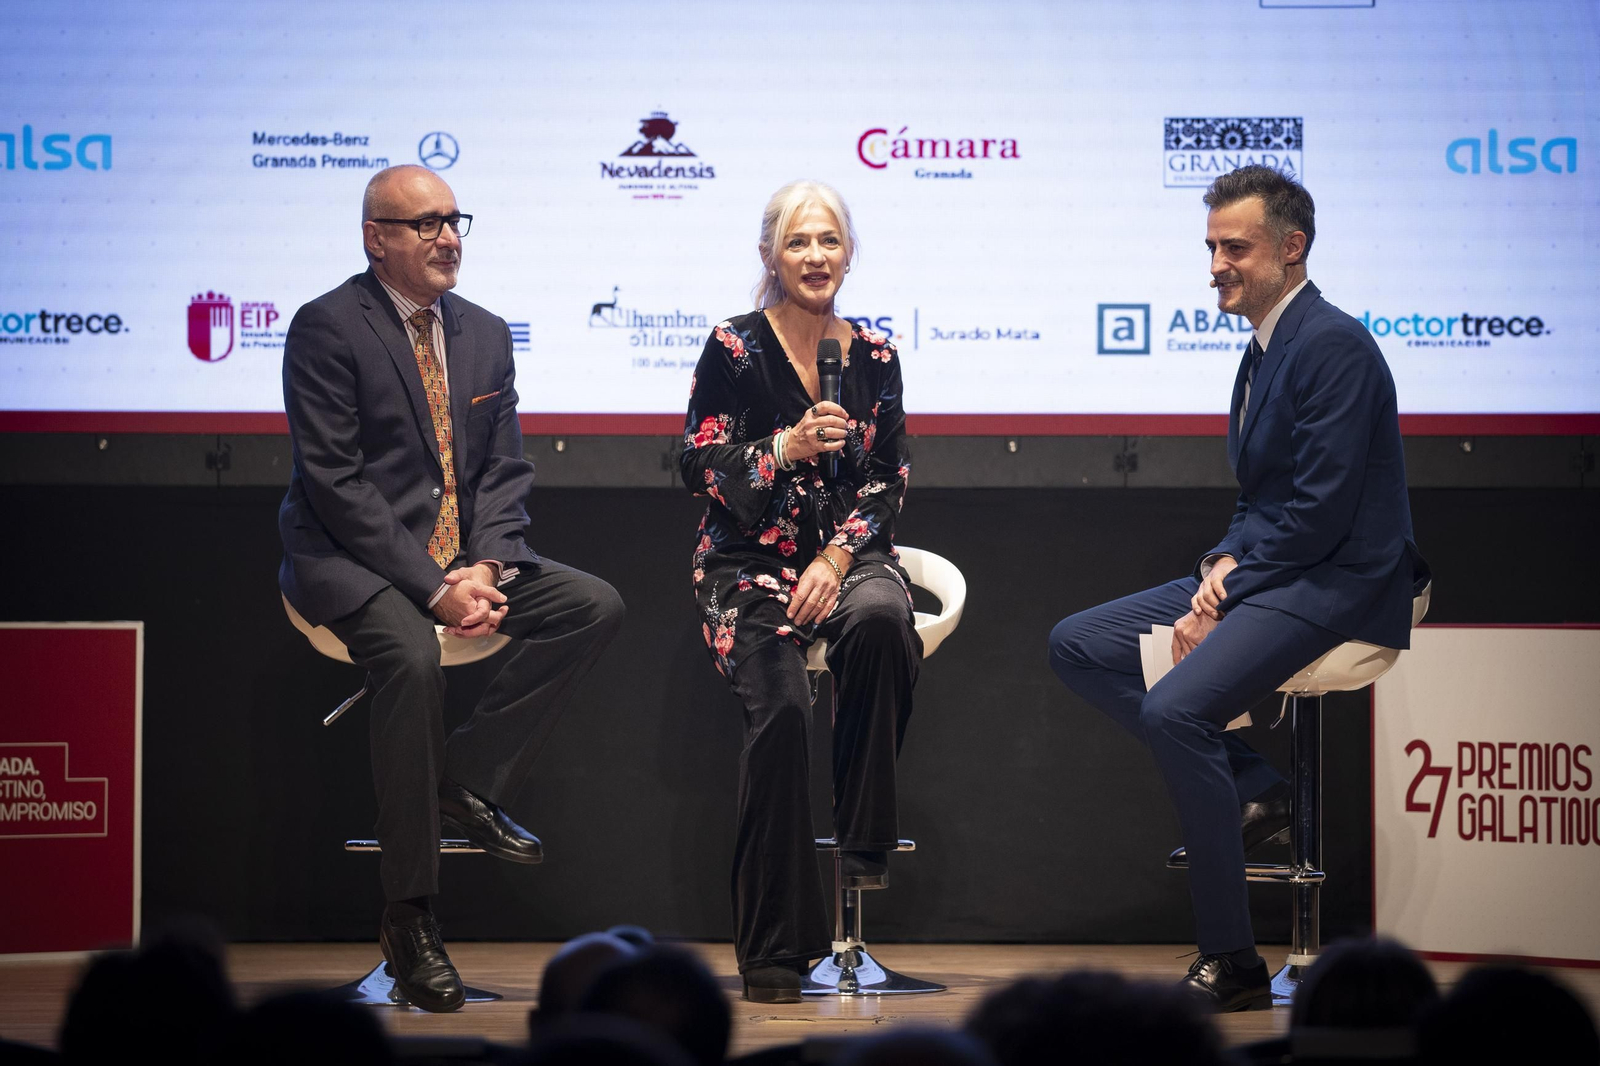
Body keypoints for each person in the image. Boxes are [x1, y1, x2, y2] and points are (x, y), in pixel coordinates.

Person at [1047, 165, 1428, 1011]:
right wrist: (1220, 565)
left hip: (1343, 583)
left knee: (1174, 712)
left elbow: (1323, 513)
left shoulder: (1332, 344)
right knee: (1078, 643)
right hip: (1281, 569)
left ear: (1292, 248)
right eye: (1212, 246)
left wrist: (1227, 591)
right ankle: (1256, 787)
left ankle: (1233, 962)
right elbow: (1259, 501)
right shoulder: (1262, 349)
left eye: (1235, 248)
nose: (1216, 264)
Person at [278, 164, 624, 1012]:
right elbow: (337, 486)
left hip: (461, 561)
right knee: (410, 659)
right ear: (376, 238)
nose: (447, 237)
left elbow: (503, 471)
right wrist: (436, 589)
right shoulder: (327, 326)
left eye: (453, 220)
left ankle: (461, 781)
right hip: (351, 558)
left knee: (592, 606)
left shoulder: (485, 332)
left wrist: (489, 566)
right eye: (425, 223)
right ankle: (411, 919)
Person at [680, 179, 919, 1003]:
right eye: (797, 242)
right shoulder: (734, 347)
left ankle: (863, 839)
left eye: (828, 240)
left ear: (848, 253)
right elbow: (695, 463)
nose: (815, 256)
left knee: (883, 619)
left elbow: (887, 479)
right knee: (783, 709)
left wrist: (839, 558)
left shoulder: (876, 355)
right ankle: (776, 948)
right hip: (745, 561)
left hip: (843, 559)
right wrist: (781, 448)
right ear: (770, 256)